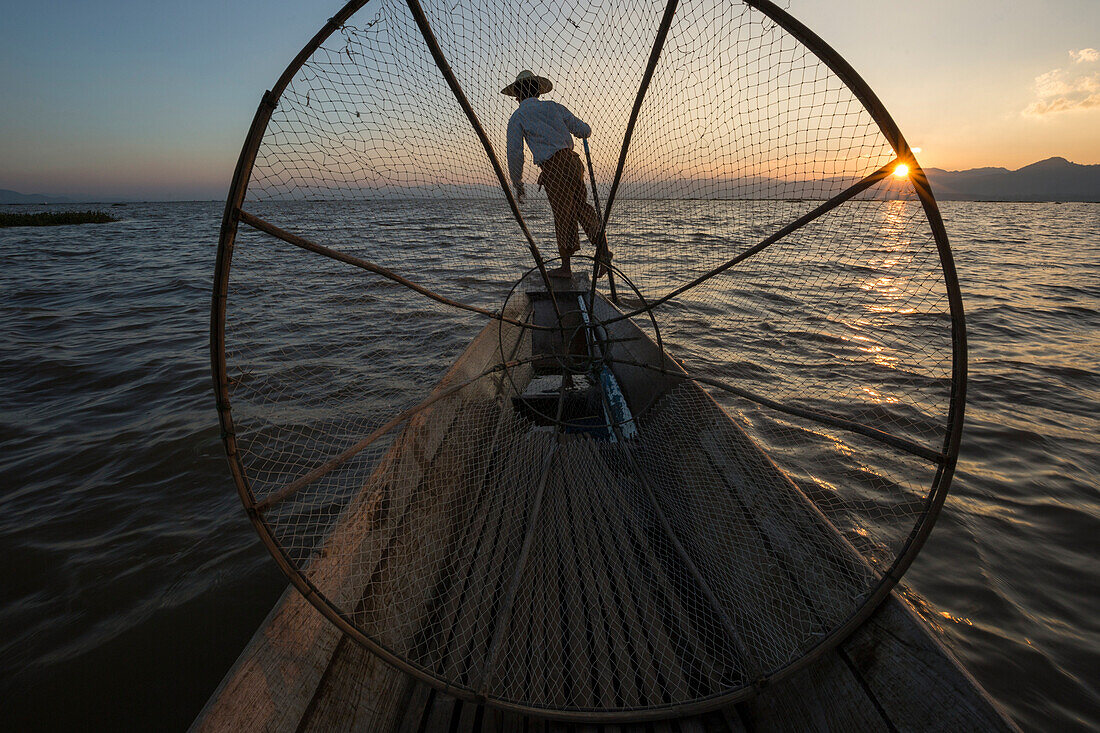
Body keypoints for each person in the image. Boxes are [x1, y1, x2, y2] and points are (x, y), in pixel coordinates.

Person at [504, 70, 610, 278]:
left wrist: (517, 181)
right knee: (581, 208)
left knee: (563, 214)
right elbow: (583, 130)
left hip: (555, 168)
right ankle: (603, 252)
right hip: (573, 162)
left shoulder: (518, 116)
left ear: (517, 96)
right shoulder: (554, 107)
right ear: (538, 92)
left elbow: (515, 152)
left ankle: (566, 268)